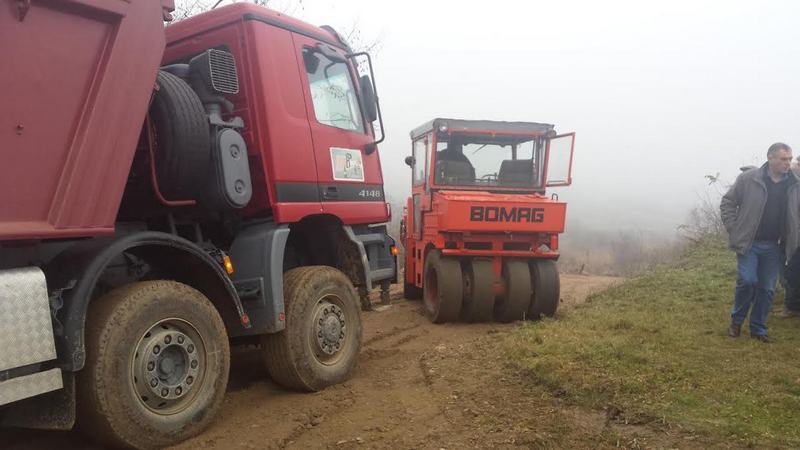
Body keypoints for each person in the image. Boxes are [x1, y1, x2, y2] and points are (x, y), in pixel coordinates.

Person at [720, 142, 800, 342]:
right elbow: (728, 202)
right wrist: (734, 228)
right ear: (770, 158)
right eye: (783, 159)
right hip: (750, 243)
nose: (788, 163)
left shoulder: (794, 183)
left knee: (767, 288)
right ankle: (736, 322)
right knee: (747, 281)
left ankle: (758, 329)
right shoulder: (749, 179)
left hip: (775, 245)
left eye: (790, 159)